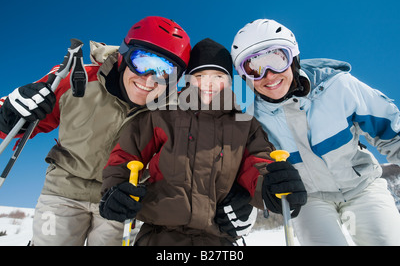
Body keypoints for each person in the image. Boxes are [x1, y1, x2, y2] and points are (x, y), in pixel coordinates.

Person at [0, 16, 191, 245]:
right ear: (123, 55)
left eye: (164, 71)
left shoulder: (174, 110)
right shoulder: (78, 78)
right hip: (63, 191)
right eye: (142, 61)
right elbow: (22, 122)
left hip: (121, 198)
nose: (149, 80)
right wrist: (9, 114)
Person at [99, 38, 307, 246]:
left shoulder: (244, 125)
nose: (209, 84)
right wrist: (114, 190)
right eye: (200, 76)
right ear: (188, 80)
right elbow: (127, 154)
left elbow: (257, 163)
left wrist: (271, 185)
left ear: (229, 81)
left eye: (218, 76)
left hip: (219, 238)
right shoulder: (163, 115)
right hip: (160, 236)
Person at [230, 18, 400, 245]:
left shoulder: (337, 87)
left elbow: (390, 129)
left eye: (276, 60)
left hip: (362, 188)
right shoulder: (254, 120)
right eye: (254, 69)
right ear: (244, 76)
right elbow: (253, 166)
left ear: (293, 58)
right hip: (309, 199)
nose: (269, 75)